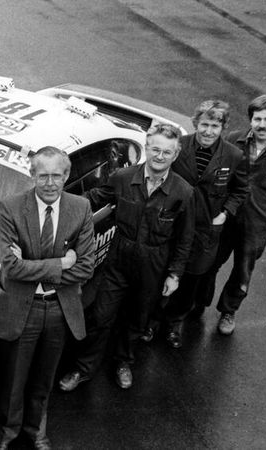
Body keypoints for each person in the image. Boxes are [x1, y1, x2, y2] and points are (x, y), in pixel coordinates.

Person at [57, 124, 194, 391]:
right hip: (119, 259)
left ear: (175, 155)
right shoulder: (122, 177)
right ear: (147, 147)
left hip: (154, 265)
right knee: (100, 315)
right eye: (155, 149)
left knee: (137, 319)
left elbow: (185, 238)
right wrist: (57, 204)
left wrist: (175, 274)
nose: (160, 156)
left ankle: (123, 362)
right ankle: (83, 369)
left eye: (167, 152)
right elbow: (94, 198)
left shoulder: (183, 192)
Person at [0, 147, 95, 450]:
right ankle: (6, 434)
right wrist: (62, 263)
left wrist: (31, 267)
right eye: (43, 175)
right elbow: (11, 266)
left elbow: (85, 267)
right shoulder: (10, 207)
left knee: (44, 378)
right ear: (32, 175)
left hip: (59, 309)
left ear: (66, 175)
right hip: (22, 308)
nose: (50, 183)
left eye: (56, 176)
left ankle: (37, 431)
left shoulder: (81, 208)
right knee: (14, 380)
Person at [157, 100, 248, 347]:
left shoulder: (234, 155)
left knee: (191, 280)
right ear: (196, 123)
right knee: (164, 272)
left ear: (223, 128)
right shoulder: (180, 146)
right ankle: (153, 321)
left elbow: (240, 190)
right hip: (173, 224)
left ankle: (174, 325)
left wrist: (224, 214)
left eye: (215, 125)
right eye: (205, 124)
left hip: (206, 231)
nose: (209, 131)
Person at [208, 94, 266, 336]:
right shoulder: (233, 140)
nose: (262, 124)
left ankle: (228, 310)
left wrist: (265, 209)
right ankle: (197, 303)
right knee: (210, 261)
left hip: (256, 225)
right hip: (226, 216)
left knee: (243, 270)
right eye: (257, 118)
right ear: (250, 119)